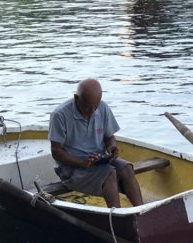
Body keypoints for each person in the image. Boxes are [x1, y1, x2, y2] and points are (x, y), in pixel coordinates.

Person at [48, 78, 145, 208]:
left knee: (126, 168)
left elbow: (109, 138)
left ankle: (141, 210)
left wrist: (112, 148)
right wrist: (81, 162)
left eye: (96, 106)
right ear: (77, 98)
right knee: (109, 173)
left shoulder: (103, 108)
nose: (93, 112)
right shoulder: (59, 115)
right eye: (88, 107)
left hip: (98, 160)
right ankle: (116, 217)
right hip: (72, 169)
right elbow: (56, 151)